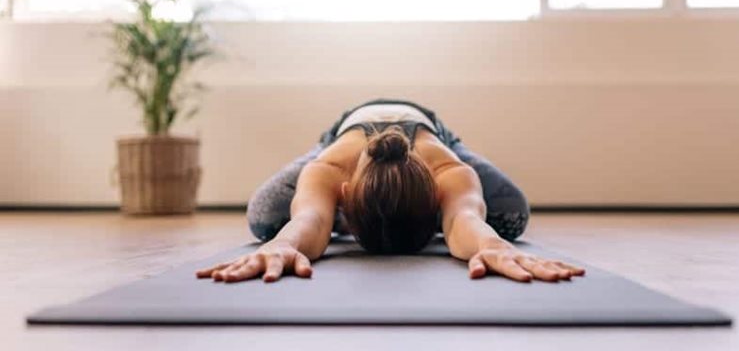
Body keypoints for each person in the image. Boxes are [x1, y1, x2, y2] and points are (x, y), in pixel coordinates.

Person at [197, 99, 585, 283]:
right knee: (266, 218)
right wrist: (283, 243)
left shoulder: (447, 168)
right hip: (344, 133)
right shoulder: (329, 167)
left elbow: (463, 218)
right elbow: (310, 220)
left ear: (437, 195)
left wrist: (492, 245)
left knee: (509, 215)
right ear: (343, 196)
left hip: (432, 131)